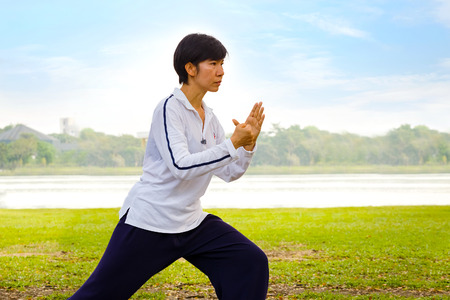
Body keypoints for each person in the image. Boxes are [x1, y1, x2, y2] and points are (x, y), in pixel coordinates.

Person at [68, 33, 268, 300]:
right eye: (213, 64)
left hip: (191, 222)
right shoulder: (168, 109)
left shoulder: (211, 118)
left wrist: (248, 146)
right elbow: (180, 166)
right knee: (98, 295)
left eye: (222, 64)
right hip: (150, 221)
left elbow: (230, 172)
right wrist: (233, 143)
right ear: (190, 68)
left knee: (249, 261)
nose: (221, 72)